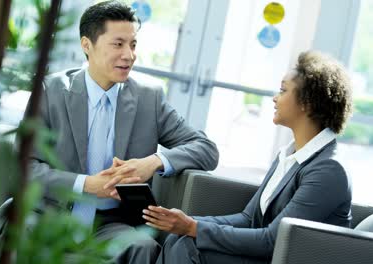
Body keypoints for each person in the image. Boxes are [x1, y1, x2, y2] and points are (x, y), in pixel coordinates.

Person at [27, 1, 218, 263]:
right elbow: (26, 168)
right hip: (50, 213)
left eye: (133, 44)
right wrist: (88, 185)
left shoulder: (148, 100)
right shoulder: (50, 92)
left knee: (143, 247)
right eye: (118, 44)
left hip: (109, 225)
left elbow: (206, 148)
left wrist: (153, 162)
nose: (129, 55)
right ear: (87, 45)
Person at [143, 50, 353, 264]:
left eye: (282, 91)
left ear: (307, 103)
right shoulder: (290, 155)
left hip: (284, 258)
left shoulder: (328, 170)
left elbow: (274, 240)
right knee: (178, 238)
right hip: (268, 254)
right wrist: (186, 223)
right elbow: (249, 219)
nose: (274, 98)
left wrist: (193, 228)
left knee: (189, 245)